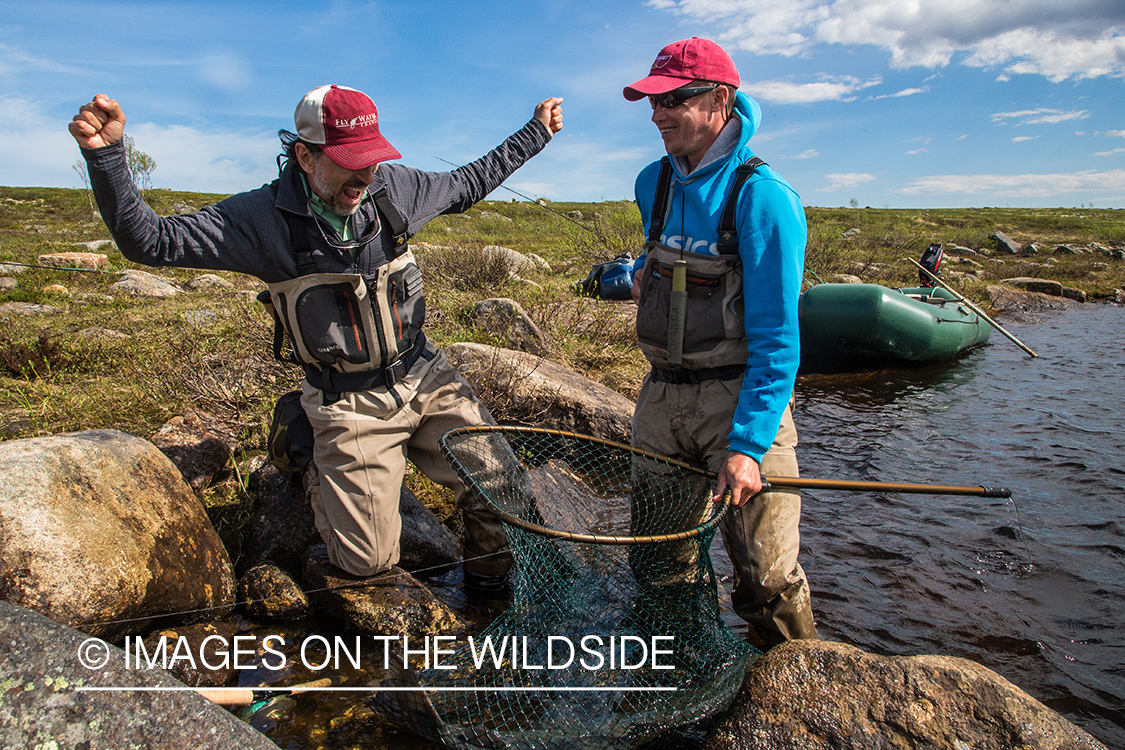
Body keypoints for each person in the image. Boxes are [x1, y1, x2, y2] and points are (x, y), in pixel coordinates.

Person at [69, 84, 564, 592]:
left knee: (500, 490)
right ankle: (301, 439)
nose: (364, 175)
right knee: (366, 564)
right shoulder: (259, 221)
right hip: (346, 399)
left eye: (371, 159)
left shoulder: (394, 188)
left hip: (424, 374)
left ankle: (487, 595)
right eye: (350, 161)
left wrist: (536, 133)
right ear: (304, 155)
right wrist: (108, 159)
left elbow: (468, 182)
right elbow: (152, 241)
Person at [623, 38, 816, 647]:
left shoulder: (765, 199)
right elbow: (665, 272)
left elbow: (779, 341)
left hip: (740, 401)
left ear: (720, 100)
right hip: (660, 400)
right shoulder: (650, 182)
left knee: (766, 579)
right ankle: (683, 678)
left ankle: (800, 703)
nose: (657, 114)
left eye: (672, 100)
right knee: (659, 566)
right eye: (651, 102)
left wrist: (750, 446)